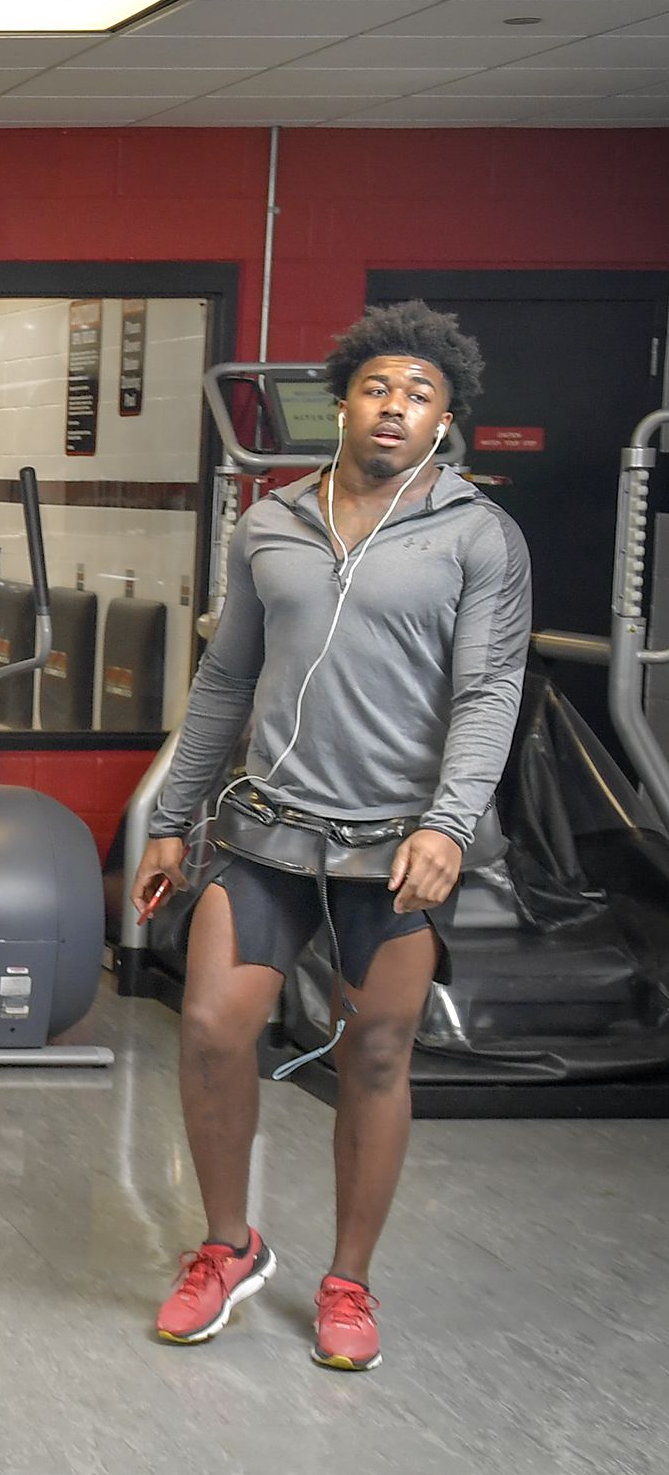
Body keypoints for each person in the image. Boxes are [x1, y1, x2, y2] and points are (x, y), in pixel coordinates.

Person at [136, 302, 531, 1372]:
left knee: (378, 1049)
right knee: (216, 1027)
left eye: (420, 395)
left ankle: (349, 1277)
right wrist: (173, 819)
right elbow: (225, 678)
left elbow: (490, 689)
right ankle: (228, 1247)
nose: (396, 408)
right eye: (377, 388)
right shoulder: (269, 523)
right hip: (266, 830)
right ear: (343, 401)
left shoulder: (477, 535)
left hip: (393, 847)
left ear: (445, 421)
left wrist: (450, 823)